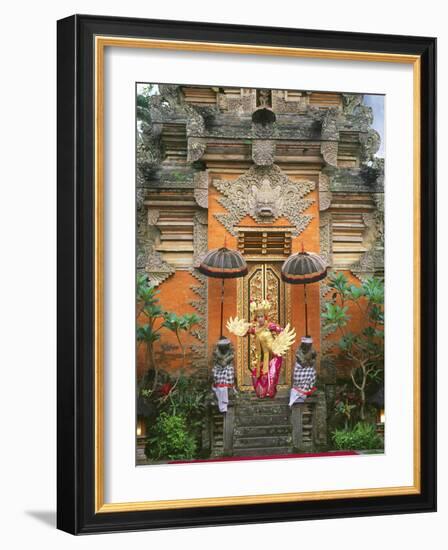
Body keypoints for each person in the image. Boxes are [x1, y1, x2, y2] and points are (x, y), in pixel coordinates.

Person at [226, 299, 296, 399]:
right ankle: (261, 393)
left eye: (261, 317)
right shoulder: (256, 329)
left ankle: (270, 393)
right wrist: (238, 329)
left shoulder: (270, 326)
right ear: (256, 318)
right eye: (258, 317)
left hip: (274, 356)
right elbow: (247, 331)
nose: (260, 319)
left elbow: (281, 330)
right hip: (262, 358)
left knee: (271, 376)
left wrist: (281, 336)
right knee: (255, 375)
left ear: (265, 317)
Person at [289, 336, 317, 407]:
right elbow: (302, 362)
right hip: (300, 368)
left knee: (312, 373)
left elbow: (313, 360)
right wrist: (308, 362)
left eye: (309, 345)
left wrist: (312, 362)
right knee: (298, 380)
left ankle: (307, 390)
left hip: (309, 369)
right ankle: (298, 393)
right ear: (303, 344)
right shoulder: (299, 351)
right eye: (306, 345)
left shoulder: (313, 351)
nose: (308, 347)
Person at [211, 337, 235, 413]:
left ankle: (228, 390)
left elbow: (228, 359)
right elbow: (219, 361)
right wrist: (221, 359)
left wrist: (225, 359)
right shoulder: (217, 352)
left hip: (227, 367)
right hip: (219, 368)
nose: (224, 348)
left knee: (230, 371)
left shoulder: (230, 352)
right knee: (215, 373)